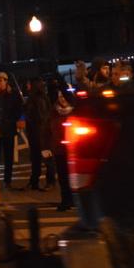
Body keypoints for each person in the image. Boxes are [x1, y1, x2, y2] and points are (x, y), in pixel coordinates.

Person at [47, 75, 75, 212]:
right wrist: (46, 146)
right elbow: (46, 130)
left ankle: (75, 199)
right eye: (60, 96)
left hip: (74, 149)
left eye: (64, 96)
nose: (62, 99)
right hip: (59, 149)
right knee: (63, 177)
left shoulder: (75, 111)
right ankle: (66, 200)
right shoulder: (54, 111)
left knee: (73, 177)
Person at [0, 71, 22, 188]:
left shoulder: (13, 94)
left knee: (8, 157)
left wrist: (15, 120)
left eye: (0, 80)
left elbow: (19, 109)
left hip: (8, 129)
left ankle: (7, 181)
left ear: (5, 81)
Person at [23, 77, 51, 191]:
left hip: (40, 132)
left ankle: (50, 181)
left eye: (29, 84)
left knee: (45, 157)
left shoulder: (39, 99)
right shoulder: (32, 98)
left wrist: (27, 112)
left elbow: (40, 117)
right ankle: (34, 180)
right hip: (34, 132)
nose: (27, 86)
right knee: (35, 158)